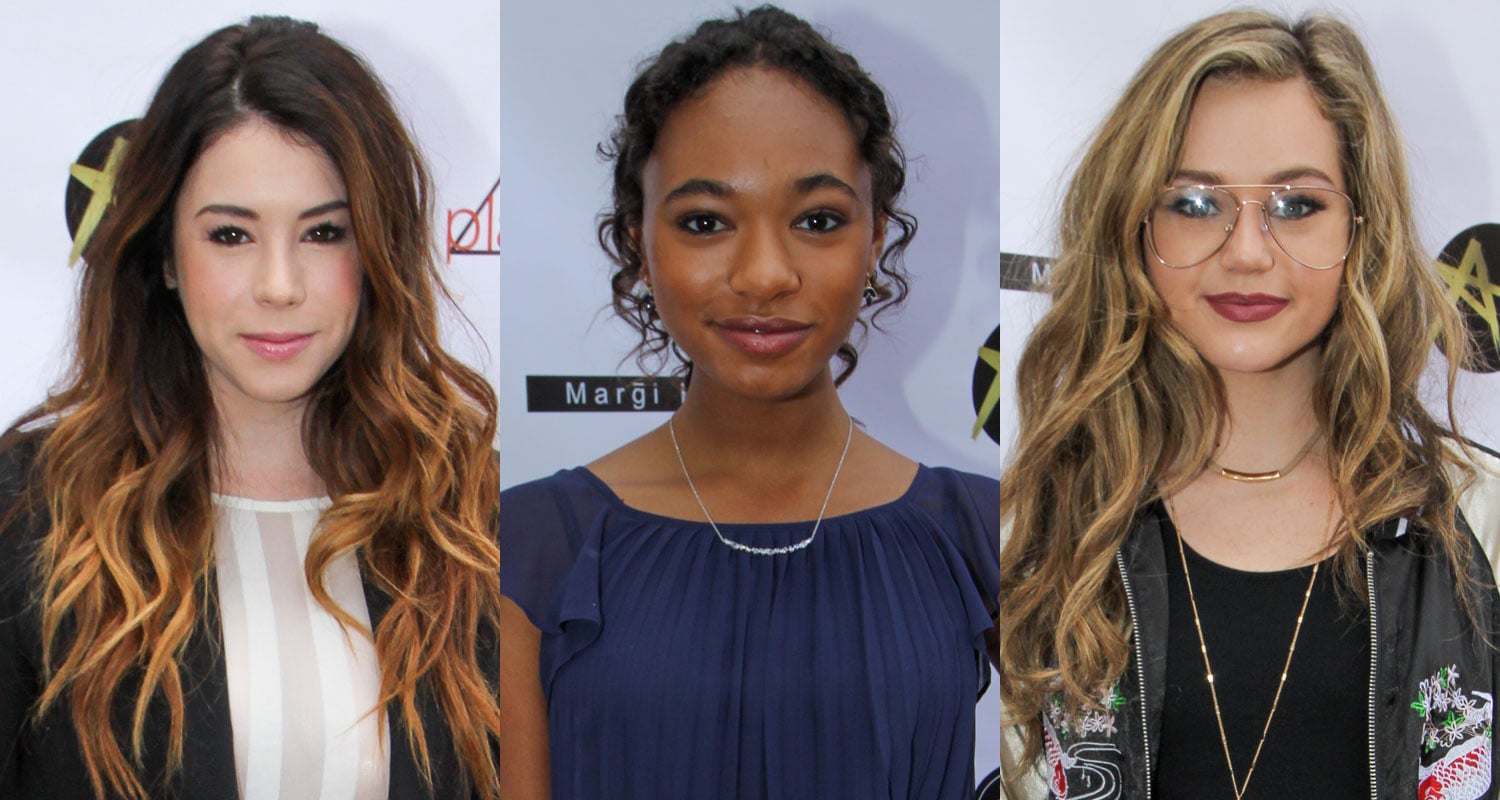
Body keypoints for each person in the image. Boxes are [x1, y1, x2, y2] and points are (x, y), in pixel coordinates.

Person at [498, 6, 998, 799]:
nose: (765, 274)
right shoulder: (529, 545)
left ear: (875, 239)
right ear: (637, 242)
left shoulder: (984, 531)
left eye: (818, 220)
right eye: (705, 222)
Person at [999, 9, 1500, 799]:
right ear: (1135, 227)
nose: (1246, 251)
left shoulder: (1480, 526)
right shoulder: (1036, 533)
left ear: (1360, 230)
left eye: (1297, 204)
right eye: (1195, 204)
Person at [0, 17, 500, 800]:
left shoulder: (470, 513)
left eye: (323, 232)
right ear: (167, 255)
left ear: (377, 250)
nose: (279, 285)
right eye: (231, 235)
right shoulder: (36, 511)